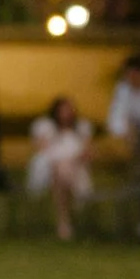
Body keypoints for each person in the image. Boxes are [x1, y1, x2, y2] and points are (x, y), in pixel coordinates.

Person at [25, 92, 97, 237]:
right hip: (50, 168)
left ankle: (63, 222)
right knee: (60, 169)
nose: (67, 113)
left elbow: (88, 152)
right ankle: (74, 203)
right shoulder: (45, 126)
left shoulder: (82, 127)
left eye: (69, 109)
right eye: (63, 110)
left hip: (75, 168)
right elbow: (42, 148)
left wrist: (73, 158)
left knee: (62, 172)